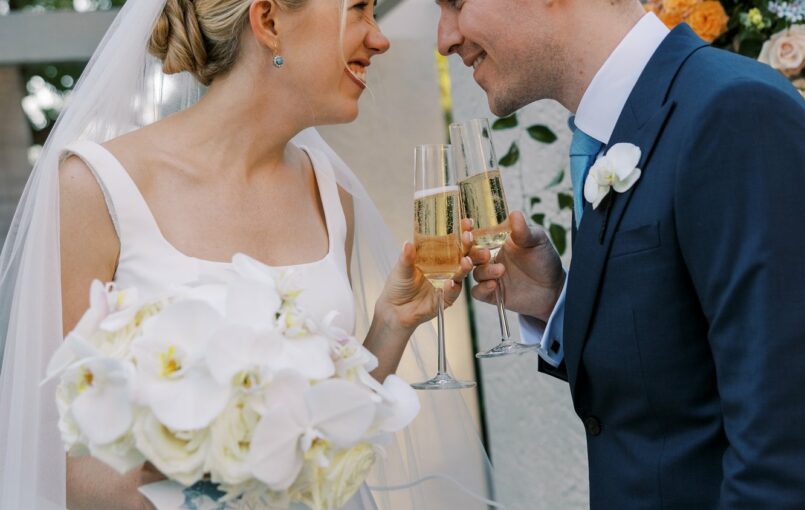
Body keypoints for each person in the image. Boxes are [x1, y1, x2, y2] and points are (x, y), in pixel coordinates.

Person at [0, 1, 498, 509]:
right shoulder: (95, 189)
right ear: (270, 22)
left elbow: (327, 427)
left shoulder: (329, 196)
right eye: (358, 9)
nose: (379, 38)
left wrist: (392, 324)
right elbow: (57, 452)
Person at [437, 0, 805, 508]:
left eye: (456, 3)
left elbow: (789, 448)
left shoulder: (735, 111)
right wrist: (558, 304)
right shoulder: (613, 132)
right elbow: (678, 380)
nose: (444, 38)